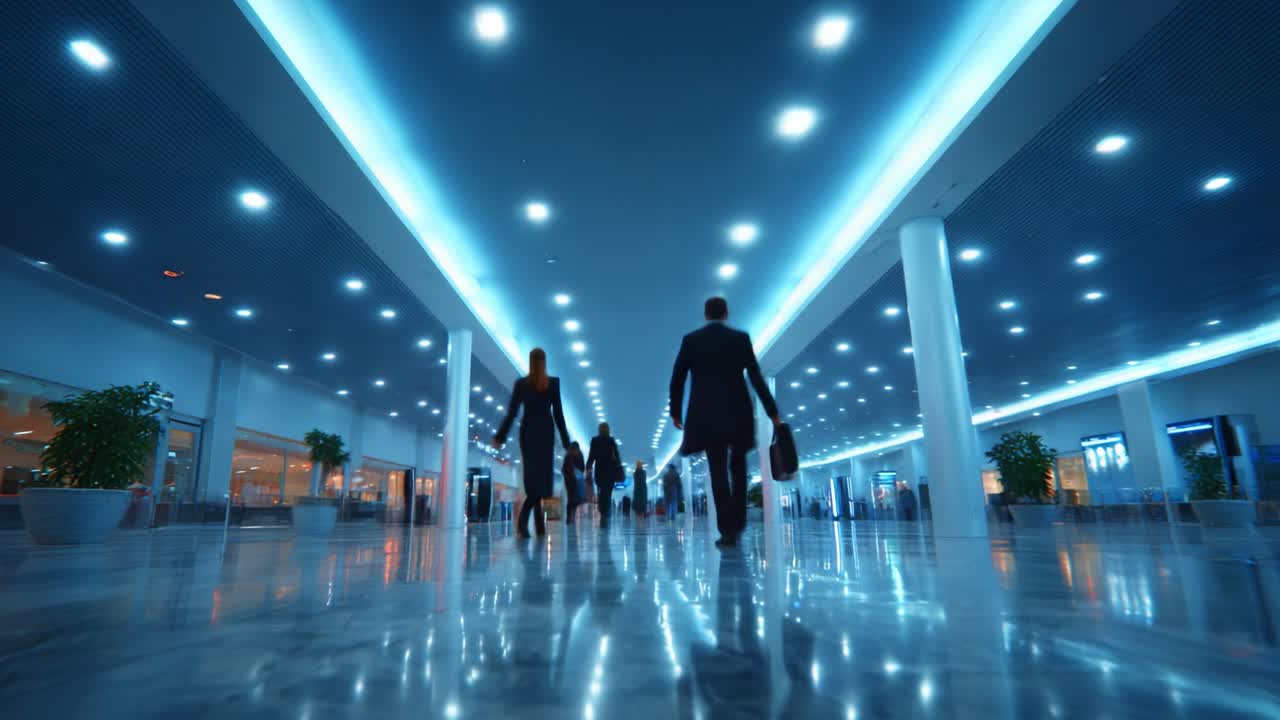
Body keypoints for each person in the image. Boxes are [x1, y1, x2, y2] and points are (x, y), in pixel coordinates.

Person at [669, 297, 780, 548]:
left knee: (717, 470)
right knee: (738, 469)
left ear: (706, 314)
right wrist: (772, 411)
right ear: (726, 313)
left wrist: (676, 412)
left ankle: (727, 529)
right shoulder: (740, 339)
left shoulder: (691, 340)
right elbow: (755, 377)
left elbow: (677, 379)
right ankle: (738, 524)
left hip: (706, 414)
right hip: (737, 410)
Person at [493, 348, 571, 538]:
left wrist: (500, 437)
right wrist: (566, 440)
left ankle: (532, 525)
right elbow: (559, 414)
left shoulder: (521, 384)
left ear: (530, 361)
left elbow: (512, 413)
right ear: (545, 361)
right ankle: (531, 524)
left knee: (533, 480)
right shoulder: (552, 383)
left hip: (528, 432)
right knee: (542, 481)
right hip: (545, 432)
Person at [586, 422, 622, 529]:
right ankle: (605, 512)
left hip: (600, 470)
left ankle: (602, 512)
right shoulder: (611, 440)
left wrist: (588, 466)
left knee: (601, 491)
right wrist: (619, 466)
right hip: (610, 471)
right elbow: (617, 455)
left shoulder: (595, 440)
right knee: (608, 493)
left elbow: (591, 455)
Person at [562, 441, 585, 525]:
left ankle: (572, 516)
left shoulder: (578, 455)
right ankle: (570, 517)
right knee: (571, 497)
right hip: (570, 480)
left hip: (575, 479)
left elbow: (582, 467)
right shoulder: (569, 456)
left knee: (575, 498)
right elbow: (565, 469)